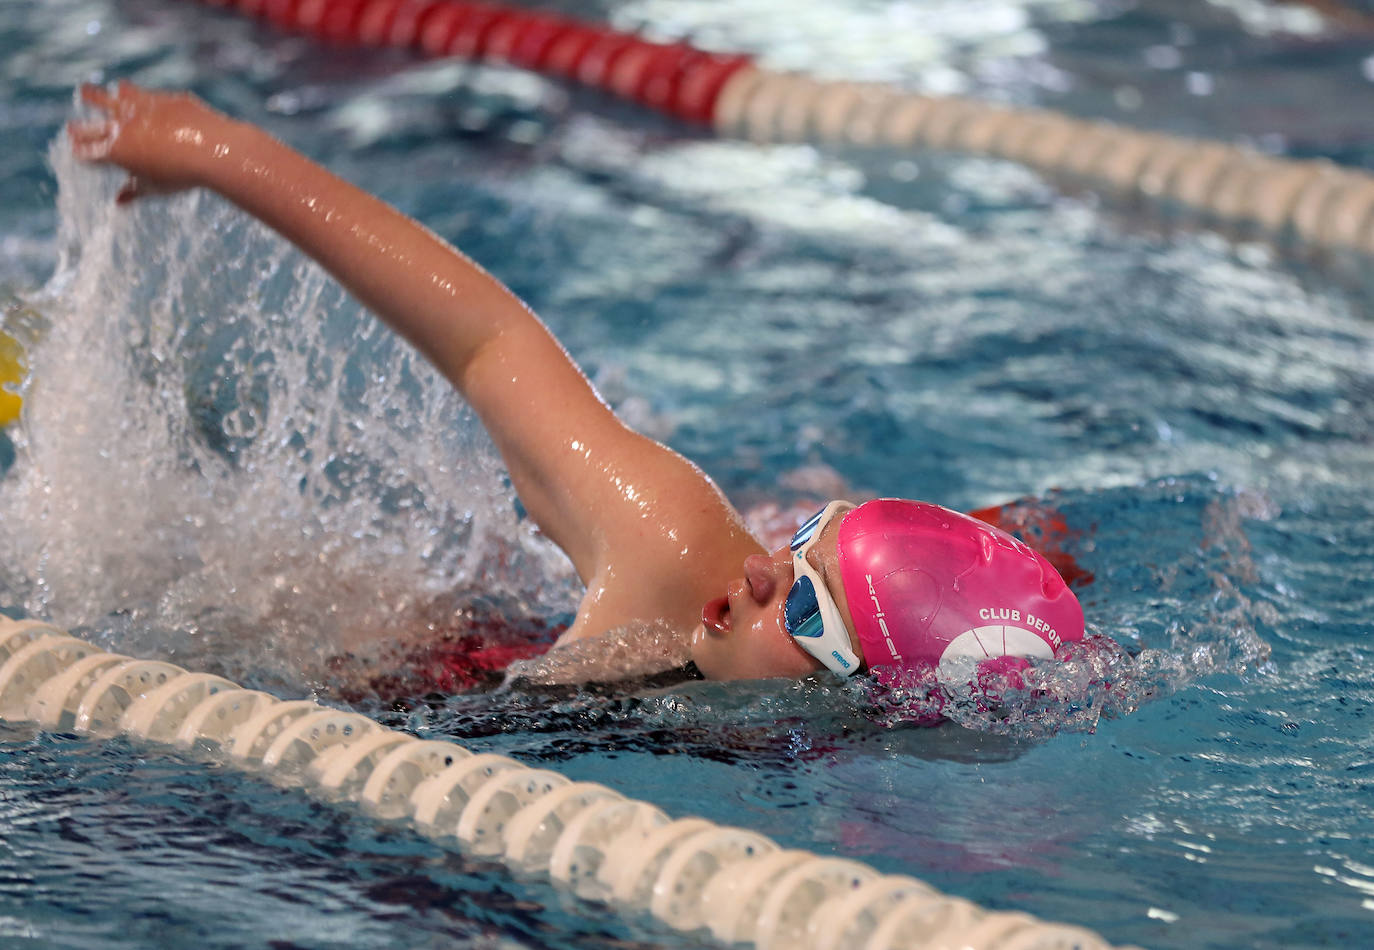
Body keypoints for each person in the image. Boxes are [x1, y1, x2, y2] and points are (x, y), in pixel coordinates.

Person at [68, 82, 1085, 696]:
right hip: (446, 666)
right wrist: (225, 153)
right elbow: (486, 339)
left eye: (810, 610)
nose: (769, 573)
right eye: (804, 541)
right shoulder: (673, 548)